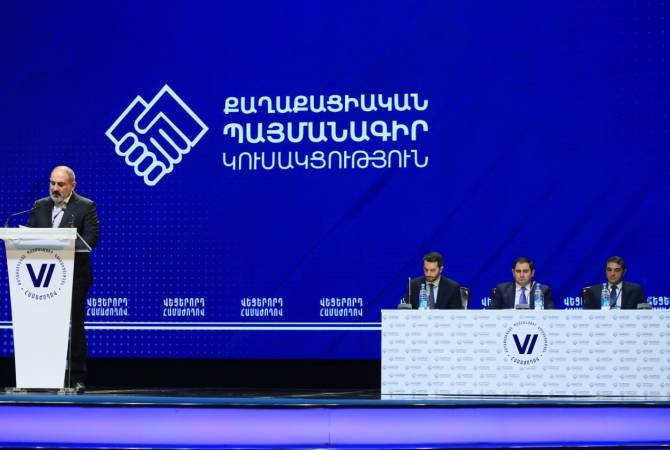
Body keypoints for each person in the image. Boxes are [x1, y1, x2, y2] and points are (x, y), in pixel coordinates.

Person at [27, 166, 99, 390]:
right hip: (43, 278)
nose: (55, 188)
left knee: (75, 327)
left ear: (72, 186)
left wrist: (61, 243)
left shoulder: (85, 206)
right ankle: (39, 376)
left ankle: (76, 378)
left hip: (74, 277)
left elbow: (91, 239)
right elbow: (27, 236)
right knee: (42, 326)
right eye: (52, 183)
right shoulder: (40, 205)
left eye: (60, 184)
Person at [489, 256, 555, 309]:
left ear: (532, 273)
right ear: (513, 273)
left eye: (525, 271)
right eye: (518, 271)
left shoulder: (543, 290)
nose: (521, 275)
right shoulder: (501, 290)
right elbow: (491, 313)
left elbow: (550, 314)